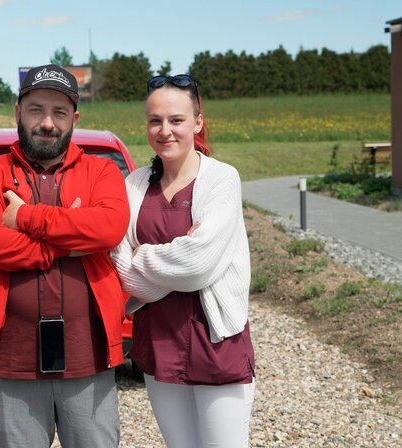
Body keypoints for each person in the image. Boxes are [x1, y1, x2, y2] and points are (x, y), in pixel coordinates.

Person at [0, 64, 130, 448]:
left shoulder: (102, 171)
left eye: (59, 112)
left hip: (90, 358)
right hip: (10, 362)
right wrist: (68, 240)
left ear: (74, 120)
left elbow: (108, 228)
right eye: (36, 110)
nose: (47, 123)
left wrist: (23, 217)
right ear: (17, 112)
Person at [111, 74, 256, 448]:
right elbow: (121, 268)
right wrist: (177, 256)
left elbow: (197, 266)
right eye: (155, 120)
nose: (165, 131)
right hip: (159, 339)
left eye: (176, 120)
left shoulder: (221, 179)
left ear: (197, 122)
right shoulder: (134, 185)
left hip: (215, 341)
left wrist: (144, 254)